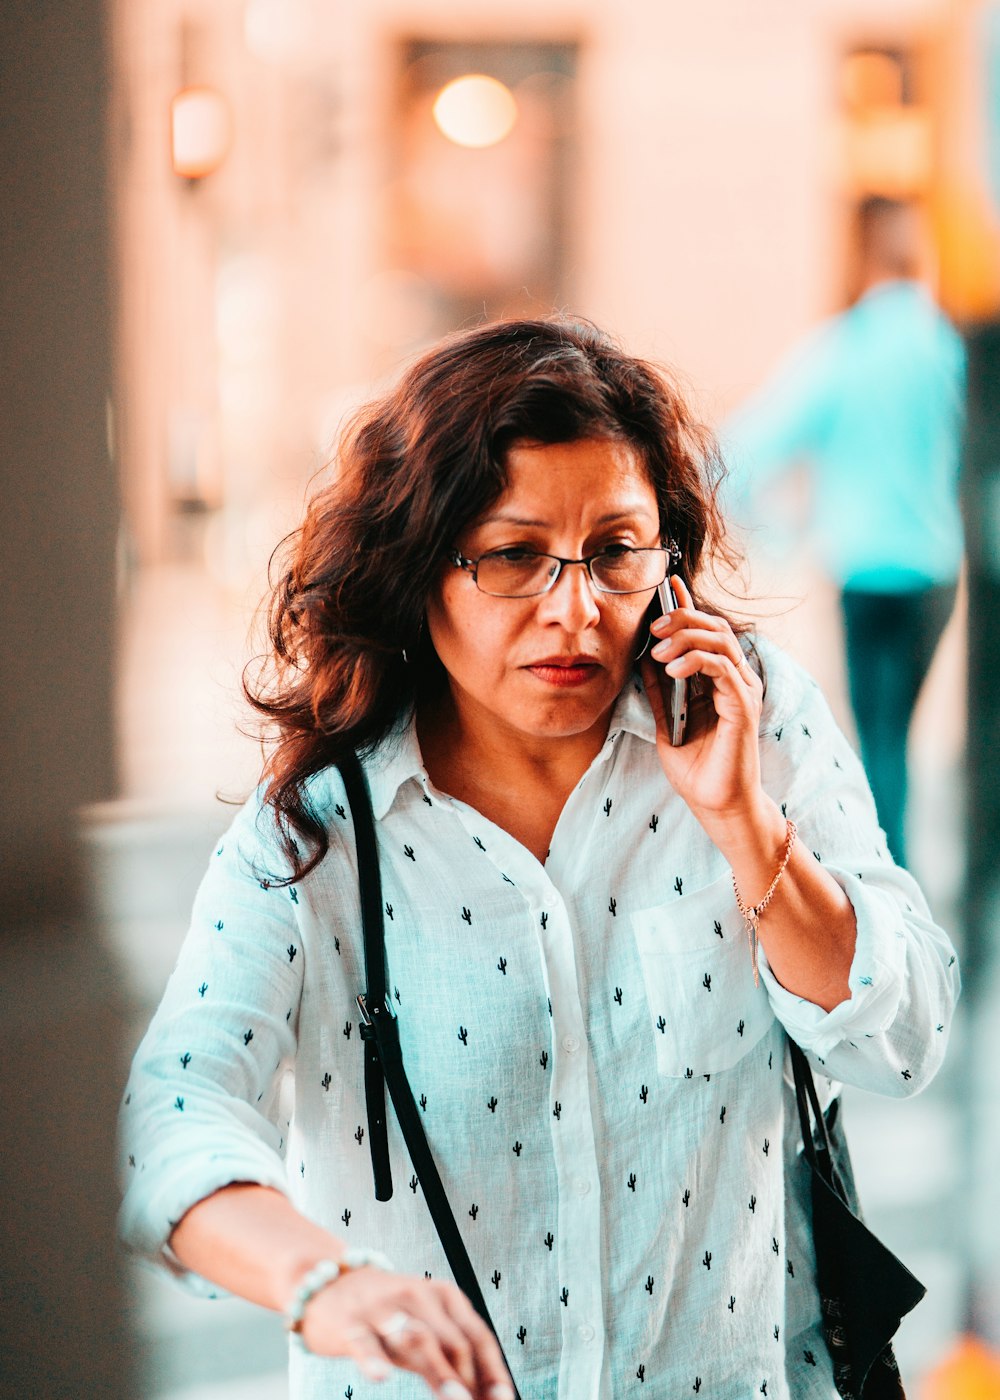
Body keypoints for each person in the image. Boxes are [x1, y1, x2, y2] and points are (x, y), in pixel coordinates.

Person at [119, 317, 959, 1400]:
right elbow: (168, 1121)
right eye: (515, 555)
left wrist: (747, 828)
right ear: (422, 566)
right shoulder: (325, 830)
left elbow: (907, 1038)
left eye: (615, 551)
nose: (576, 611)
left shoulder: (755, 719)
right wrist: (322, 1279)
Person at [723, 196, 966, 866]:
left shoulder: (843, 348)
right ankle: (903, 888)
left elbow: (741, 450)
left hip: (863, 571)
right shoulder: (950, 349)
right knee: (901, 740)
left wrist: (779, 532)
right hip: (935, 568)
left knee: (878, 740)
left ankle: (890, 888)